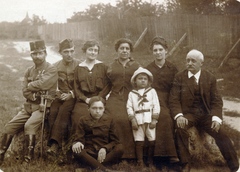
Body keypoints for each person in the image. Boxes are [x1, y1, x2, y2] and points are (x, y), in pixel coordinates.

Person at [169, 49, 239, 172]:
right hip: (188, 114)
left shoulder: (209, 77)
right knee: (180, 129)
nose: (189, 63)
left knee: (221, 133)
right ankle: (185, 164)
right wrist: (179, 115)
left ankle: (235, 167)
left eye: (193, 61)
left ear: (201, 63)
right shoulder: (179, 77)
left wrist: (216, 118)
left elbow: (216, 100)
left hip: (205, 114)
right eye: (188, 60)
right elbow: (174, 99)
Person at [0, 40, 58, 164]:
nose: (37, 56)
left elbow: (43, 83)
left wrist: (31, 85)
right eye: (34, 54)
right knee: (9, 126)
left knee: (29, 125)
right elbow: (24, 91)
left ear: (45, 53)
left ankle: (28, 159)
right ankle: (1, 155)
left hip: (42, 107)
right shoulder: (29, 70)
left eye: (40, 53)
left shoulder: (51, 69)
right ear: (31, 55)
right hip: (28, 106)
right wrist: (34, 92)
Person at [145, 36, 179, 166]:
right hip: (152, 98)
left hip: (169, 98)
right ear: (152, 52)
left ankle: (166, 154)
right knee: (163, 116)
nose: (158, 52)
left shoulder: (173, 68)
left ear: (166, 51)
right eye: (155, 50)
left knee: (168, 117)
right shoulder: (148, 69)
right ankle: (163, 156)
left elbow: (176, 89)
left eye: (160, 49)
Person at [104, 38, 140, 158]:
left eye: (127, 49)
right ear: (117, 50)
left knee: (127, 118)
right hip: (115, 98)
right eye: (122, 48)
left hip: (132, 98)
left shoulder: (136, 66)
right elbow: (107, 85)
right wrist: (99, 98)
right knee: (114, 118)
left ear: (130, 51)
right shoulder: (112, 66)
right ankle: (115, 153)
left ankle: (130, 155)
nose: (124, 51)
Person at [47, 39, 80, 157]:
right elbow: (51, 83)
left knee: (63, 110)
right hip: (60, 96)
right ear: (60, 52)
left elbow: (81, 84)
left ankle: (55, 144)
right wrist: (57, 93)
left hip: (74, 96)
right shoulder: (55, 66)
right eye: (66, 51)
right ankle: (53, 144)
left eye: (71, 51)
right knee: (53, 111)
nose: (69, 54)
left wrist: (71, 94)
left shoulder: (79, 65)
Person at [72, 96, 124, 171]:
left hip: (104, 154)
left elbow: (115, 141)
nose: (97, 111)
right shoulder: (83, 120)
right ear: (88, 109)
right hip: (89, 153)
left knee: (120, 148)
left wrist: (105, 148)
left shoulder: (109, 120)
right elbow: (79, 138)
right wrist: (78, 143)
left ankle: (89, 168)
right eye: (94, 108)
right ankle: (105, 170)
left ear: (104, 109)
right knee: (78, 151)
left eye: (100, 108)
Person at [72, 40, 109, 132]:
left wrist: (98, 98)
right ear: (85, 51)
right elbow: (76, 88)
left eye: (95, 50)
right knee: (78, 115)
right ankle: (79, 141)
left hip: (100, 98)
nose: (93, 52)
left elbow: (107, 86)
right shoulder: (79, 68)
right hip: (84, 100)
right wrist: (85, 99)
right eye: (90, 50)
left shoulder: (103, 66)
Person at [126, 67, 160, 167]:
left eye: (145, 79)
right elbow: (129, 107)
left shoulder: (152, 91)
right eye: (140, 78)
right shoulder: (132, 94)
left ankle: (150, 161)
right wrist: (132, 120)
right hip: (138, 120)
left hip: (149, 119)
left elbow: (156, 105)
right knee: (139, 140)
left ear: (148, 81)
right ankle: (140, 161)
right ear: (135, 81)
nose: (143, 80)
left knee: (151, 139)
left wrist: (154, 119)